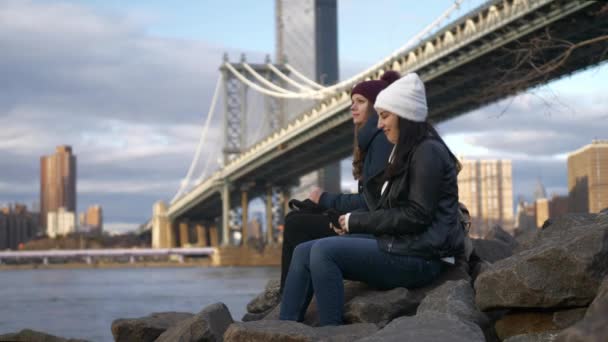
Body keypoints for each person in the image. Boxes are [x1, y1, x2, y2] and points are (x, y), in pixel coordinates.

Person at [279, 73, 465, 326]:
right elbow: (389, 207)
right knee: (302, 251)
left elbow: (416, 216)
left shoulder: (427, 152)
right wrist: (346, 222)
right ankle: (284, 327)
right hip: (403, 244)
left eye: (385, 116)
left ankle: (331, 333)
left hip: (423, 256)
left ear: (405, 115)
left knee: (323, 251)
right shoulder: (405, 150)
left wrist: (355, 222)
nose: (379, 124)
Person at [279, 71, 399, 292]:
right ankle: (294, 292)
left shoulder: (381, 142)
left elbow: (374, 201)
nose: (352, 107)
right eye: (352, 102)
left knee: (296, 224)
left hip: (375, 231)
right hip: (370, 223)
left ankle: (289, 296)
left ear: (376, 107)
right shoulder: (373, 140)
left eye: (360, 102)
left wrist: (325, 199)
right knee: (300, 216)